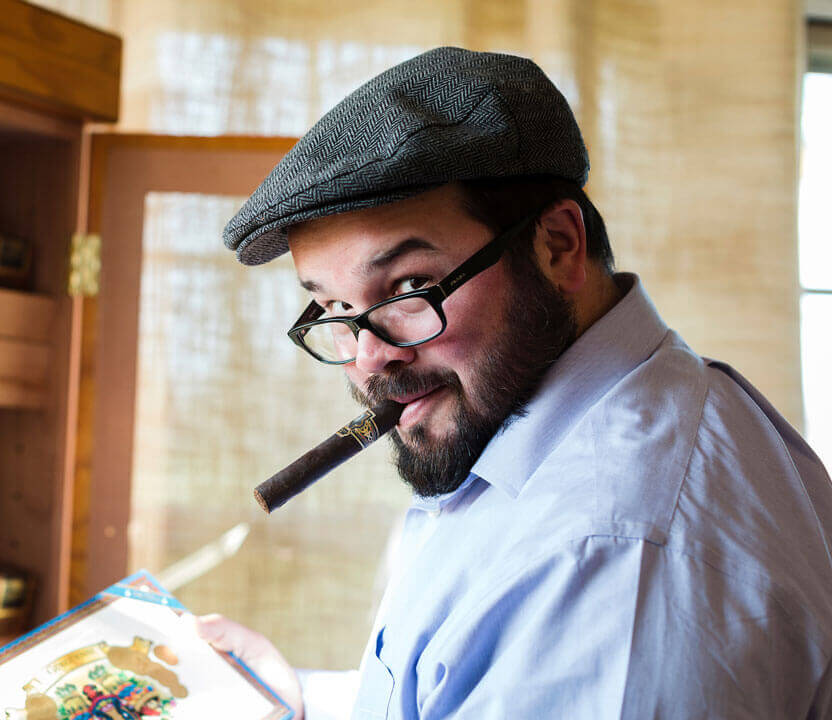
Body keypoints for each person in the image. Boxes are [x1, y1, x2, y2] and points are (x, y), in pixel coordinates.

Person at [200, 46, 832, 719]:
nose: (368, 358)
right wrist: (289, 703)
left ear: (558, 245)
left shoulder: (614, 560)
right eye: (332, 309)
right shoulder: (554, 431)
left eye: (410, 286)